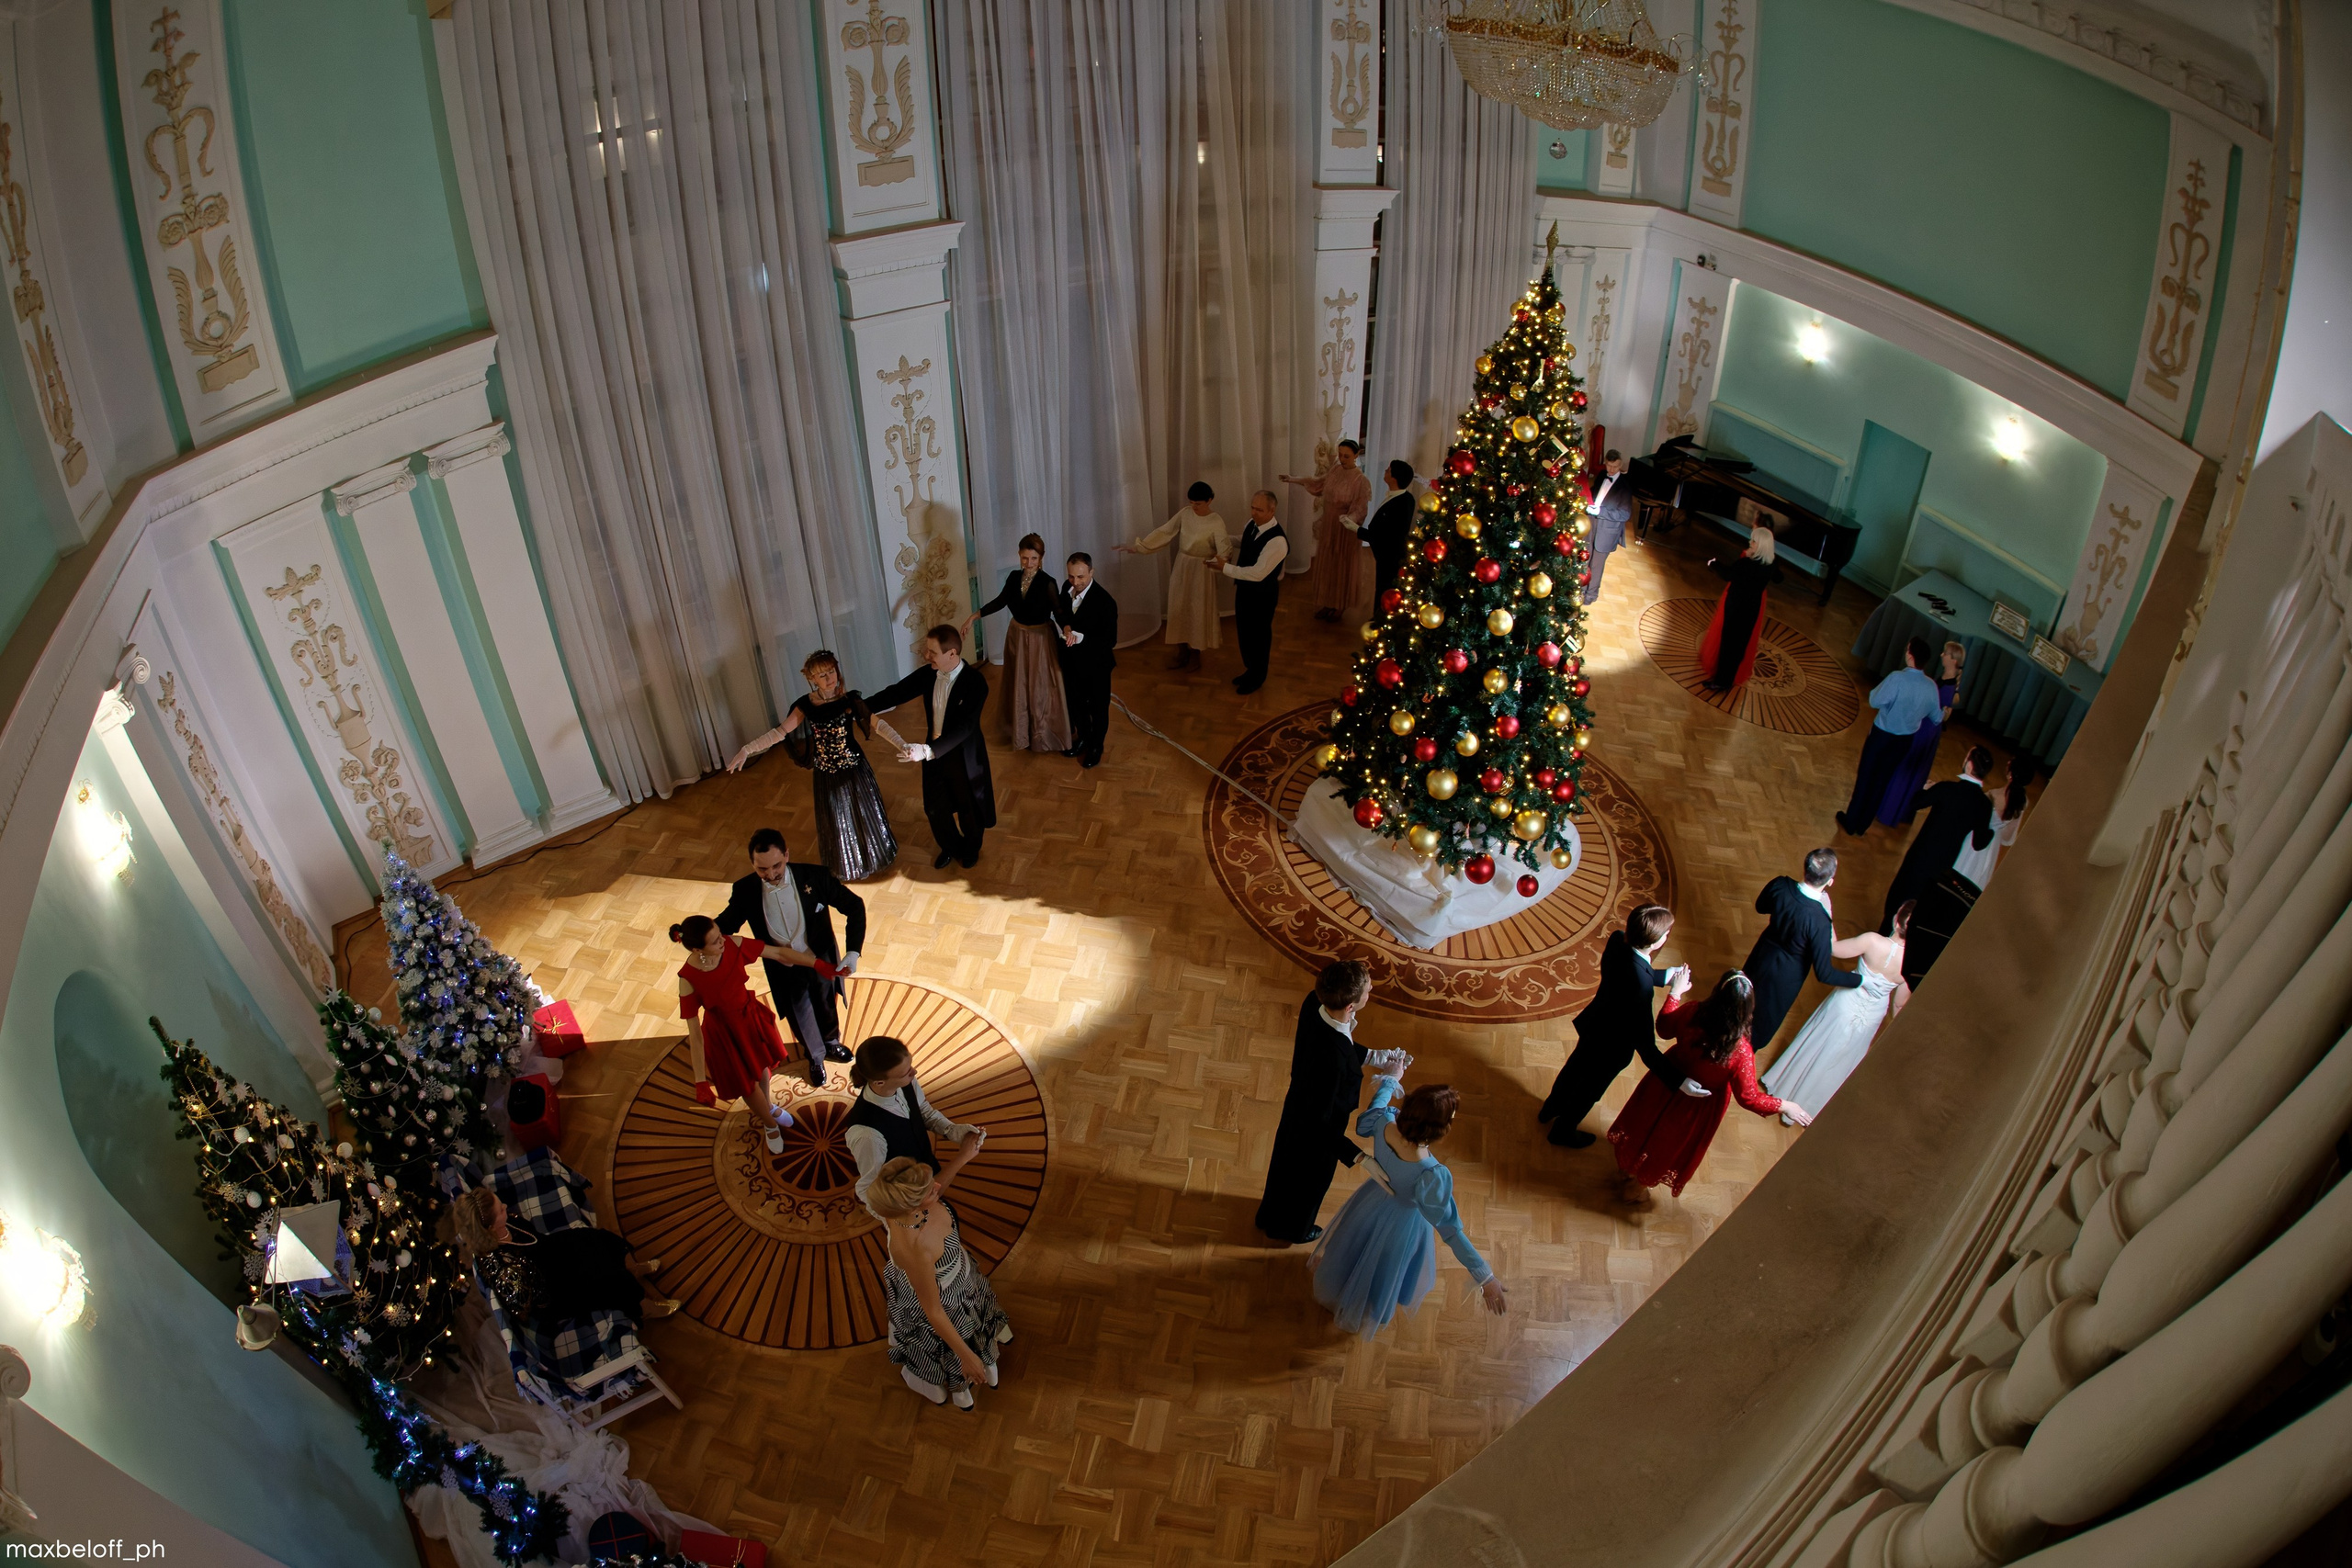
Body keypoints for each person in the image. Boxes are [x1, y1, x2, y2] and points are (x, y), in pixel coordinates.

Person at [1312, 1077, 1508, 1336]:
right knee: (1384, 1267)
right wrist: (1485, 1276)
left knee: (1354, 1247)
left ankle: (1338, 1288)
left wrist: (1390, 1080)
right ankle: (1363, 1303)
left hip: (1370, 1203)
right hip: (1401, 1227)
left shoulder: (1383, 1122)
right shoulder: (1431, 1174)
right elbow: (1450, 1231)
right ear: (1439, 1129)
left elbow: (1372, 1112)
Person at [1608, 972, 1811, 1199]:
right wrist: (1784, 1106)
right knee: (1667, 1143)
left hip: (1665, 1082)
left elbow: (1664, 1028)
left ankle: (1626, 1170)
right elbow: (1749, 1097)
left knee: (1645, 1123)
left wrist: (1675, 994)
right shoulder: (1741, 1051)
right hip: (1697, 1107)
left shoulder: (1693, 1012)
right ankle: (1637, 1189)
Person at [1255, 959, 1407, 1245]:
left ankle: (1269, 1217)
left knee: (1283, 1171)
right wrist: (1360, 1158)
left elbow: (1338, 1041)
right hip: (1319, 1131)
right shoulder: (1334, 1063)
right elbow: (1320, 1123)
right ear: (1350, 1007)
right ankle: (1291, 1231)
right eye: (1367, 989)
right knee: (1309, 1185)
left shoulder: (1316, 1001)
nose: (1371, 988)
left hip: (1297, 1109)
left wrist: (1373, 1056)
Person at [726, 651, 898, 882]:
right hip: (826, 772)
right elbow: (779, 733)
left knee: (863, 814)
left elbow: (878, 724)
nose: (829, 678)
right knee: (837, 817)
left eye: (831, 671)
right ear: (812, 679)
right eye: (822, 675)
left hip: (854, 768)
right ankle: (849, 862)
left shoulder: (848, 701)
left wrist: (903, 744)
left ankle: (872, 856)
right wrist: (747, 749)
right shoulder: (806, 705)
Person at [716, 827, 866, 1086]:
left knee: (827, 1002)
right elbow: (725, 924)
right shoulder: (745, 890)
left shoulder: (815, 876)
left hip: (821, 959)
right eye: (762, 869)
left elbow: (854, 906)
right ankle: (815, 1057)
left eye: (776, 866)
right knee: (800, 1014)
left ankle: (831, 1043)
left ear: (786, 854)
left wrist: (853, 952)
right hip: (783, 966)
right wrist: (696, 932)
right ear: (752, 863)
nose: (771, 875)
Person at [866, 1156, 1013, 1409]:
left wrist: (965, 1156)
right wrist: (967, 1357)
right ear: (913, 1206)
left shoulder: (905, 1209)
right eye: (929, 1190)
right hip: (947, 1302)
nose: (937, 1186)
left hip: (962, 1277)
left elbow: (935, 1189)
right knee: (958, 1336)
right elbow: (933, 1311)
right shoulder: (916, 1249)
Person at [1536, 904, 1686, 1147]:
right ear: (1656, 941)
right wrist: (1679, 1080)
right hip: (1612, 1050)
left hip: (1594, 1027)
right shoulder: (1641, 990)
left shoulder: (1618, 940)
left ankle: (1549, 1109)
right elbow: (1647, 1047)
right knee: (1588, 1092)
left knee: (1573, 1070)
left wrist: (1665, 976)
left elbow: (1631, 970)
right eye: (1666, 934)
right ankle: (1561, 1132)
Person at [1762, 900, 1912, 1122]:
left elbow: (1833, 949)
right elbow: (1898, 1005)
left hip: (1846, 1001)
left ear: (1895, 918)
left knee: (1819, 1045)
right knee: (1842, 1059)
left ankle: (1787, 1092)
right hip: (1872, 1016)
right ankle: (1814, 1108)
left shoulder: (1872, 941)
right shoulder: (1910, 963)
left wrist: (1827, 916)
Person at [444, 1187, 679, 1328]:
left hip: (550, 1252)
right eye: (501, 1210)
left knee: (596, 1239)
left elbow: (537, 1240)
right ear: (491, 1228)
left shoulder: (506, 1224)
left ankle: (633, 1268)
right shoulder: (504, 1269)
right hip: (555, 1291)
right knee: (607, 1277)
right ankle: (643, 1306)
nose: (506, 1206)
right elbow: (524, 1309)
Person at [866, 626, 996, 869]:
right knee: (935, 807)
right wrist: (860, 707)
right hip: (933, 754)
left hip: (962, 756)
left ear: (952, 653)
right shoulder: (929, 674)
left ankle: (970, 850)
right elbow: (896, 693)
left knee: (969, 809)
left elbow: (965, 728)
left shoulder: (976, 683)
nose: (927, 656)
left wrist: (926, 751)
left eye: (932, 652)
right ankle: (951, 847)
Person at [672, 914, 800, 1153]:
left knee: (762, 1068)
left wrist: (818, 964)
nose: (723, 941)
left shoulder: (731, 944)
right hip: (724, 1034)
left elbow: (777, 953)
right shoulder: (687, 979)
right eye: (715, 941)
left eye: (720, 934)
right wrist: (700, 1081)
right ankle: (770, 1124)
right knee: (746, 1085)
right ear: (699, 949)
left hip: (748, 1018)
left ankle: (768, 1106)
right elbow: (695, 1033)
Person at [843, 1035, 987, 1218]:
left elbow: (923, 1111)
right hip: (907, 1197)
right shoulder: (866, 1134)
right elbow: (870, 1189)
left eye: (910, 1065)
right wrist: (898, 1223)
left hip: (926, 1171)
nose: (915, 1072)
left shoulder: (905, 1081)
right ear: (880, 1082)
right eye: (906, 1072)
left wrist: (951, 1131)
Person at [1744, 848, 1864, 1051]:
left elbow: (1761, 906)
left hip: (1761, 957)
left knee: (1740, 1002)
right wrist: (1859, 979)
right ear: (1830, 881)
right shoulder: (1819, 920)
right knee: (1757, 1030)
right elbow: (1824, 973)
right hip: (1785, 979)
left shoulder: (1780, 885)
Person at [963, 534, 1071, 755]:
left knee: (1040, 686)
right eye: (1024, 558)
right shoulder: (1013, 577)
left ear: (1041, 558)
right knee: (1019, 683)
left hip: (1041, 639)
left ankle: (1042, 734)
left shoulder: (1047, 582)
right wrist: (975, 616)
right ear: (1019, 556)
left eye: (1033, 558)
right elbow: (1002, 601)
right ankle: (1021, 731)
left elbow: (1058, 610)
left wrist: (1067, 628)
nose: (1028, 563)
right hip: (1017, 636)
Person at [1883, 746, 1998, 931]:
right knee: (1922, 902)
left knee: (1901, 893)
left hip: (1920, 855)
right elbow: (1979, 843)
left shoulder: (1946, 788)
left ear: (1969, 765)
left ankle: (1885, 932)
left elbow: (1915, 803)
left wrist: (1926, 788)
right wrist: (1992, 832)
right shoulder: (1983, 805)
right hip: (1944, 864)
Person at [1836, 637, 1942, 836]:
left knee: (1866, 778)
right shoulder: (1930, 687)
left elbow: (1874, 700)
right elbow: (1936, 717)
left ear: (1910, 656)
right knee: (1882, 781)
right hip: (1904, 741)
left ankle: (1851, 821)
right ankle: (1863, 825)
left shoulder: (1897, 678)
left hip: (1882, 736)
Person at [1119, 481, 1228, 670]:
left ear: (1209, 500)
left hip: (1202, 570)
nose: (1194, 507)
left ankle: (1195, 653)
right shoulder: (1185, 513)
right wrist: (1140, 547)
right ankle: (1182, 651)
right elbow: (1165, 532)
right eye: (1192, 502)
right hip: (1183, 566)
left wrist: (1221, 560)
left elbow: (1224, 547)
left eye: (1198, 503)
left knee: (1197, 610)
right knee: (1178, 608)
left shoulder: (1216, 520)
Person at [1209, 489, 1288, 694]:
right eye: (1252, 507)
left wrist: (1223, 568)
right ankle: (1250, 670)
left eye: (1259, 510)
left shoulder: (1278, 541)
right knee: (1244, 633)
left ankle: (1257, 677)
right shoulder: (1252, 524)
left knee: (1259, 636)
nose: (1253, 513)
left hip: (1262, 595)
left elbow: (1257, 573)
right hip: (1244, 591)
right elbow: (1243, 540)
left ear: (1272, 511)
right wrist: (1222, 539)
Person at [1283, 440, 1372, 622]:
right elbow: (1317, 484)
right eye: (1340, 455)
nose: (1342, 459)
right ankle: (1328, 602)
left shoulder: (1360, 480)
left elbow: (1360, 508)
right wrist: (1292, 479)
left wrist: (1349, 519)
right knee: (1329, 565)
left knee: (1342, 566)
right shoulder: (1335, 470)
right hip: (1329, 525)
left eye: (1347, 456)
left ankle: (1340, 605)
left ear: (1356, 455)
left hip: (1345, 529)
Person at [1876, 641, 1964, 826]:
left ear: (1953, 660)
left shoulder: (1947, 687)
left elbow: (1940, 713)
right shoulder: (1947, 682)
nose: (1942, 656)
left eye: (1946, 654)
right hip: (1927, 729)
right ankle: (1897, 810)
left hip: (1924, 730)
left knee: (1905, 769)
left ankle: (1890, 810)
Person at [1054, 552, 1118, 768]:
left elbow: (1110, 640)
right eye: (1072, 576)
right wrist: (1066, 626)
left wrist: (1081, 637)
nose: (1076, 582)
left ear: (1092, 572)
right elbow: (1060, 612)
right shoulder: (1066, 587)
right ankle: (1083, 738)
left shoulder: (1106, 602)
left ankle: (1096, 746)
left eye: (1081, 577)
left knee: (1098, 709)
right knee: (1075, 703)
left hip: (1096, 665)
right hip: (1071, 662)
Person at [1697, 525, 1781, 692]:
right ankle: (1727, 679)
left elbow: (1728, 574)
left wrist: (1713, 563)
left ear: (1761, 545)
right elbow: (1779, 578)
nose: (1750, 542)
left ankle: (1721, 682)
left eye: (1754, 541)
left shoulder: (1747, 564)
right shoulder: (1771, 563)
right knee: (1739, 645)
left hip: (1736, 607)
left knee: (1729, 645)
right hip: (1752, 609)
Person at [1582, 448, 1634, 605]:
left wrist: (1601, 511)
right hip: (1591, 525)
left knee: (1596, 566)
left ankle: (1590, 596)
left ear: (1621, 465)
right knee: (1584, 559)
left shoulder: (1625, 487)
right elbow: (1593, 494)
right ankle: (1581, 590)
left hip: (1606, 531)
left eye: (1615, 467)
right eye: (1609, 466)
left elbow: (1625, 515)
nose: (1611, 470)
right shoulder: (1602, 476)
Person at [1363, 460, 1417, 601]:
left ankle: (1380, 618)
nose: (1385, 471)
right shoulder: (1406, 498)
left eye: (1388, 470)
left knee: (1385, 588)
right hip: (1388, 554)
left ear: (1394, 478)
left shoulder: (1401, 503)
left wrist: (1357, 530)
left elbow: (1385, 536)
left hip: (1390, 555)